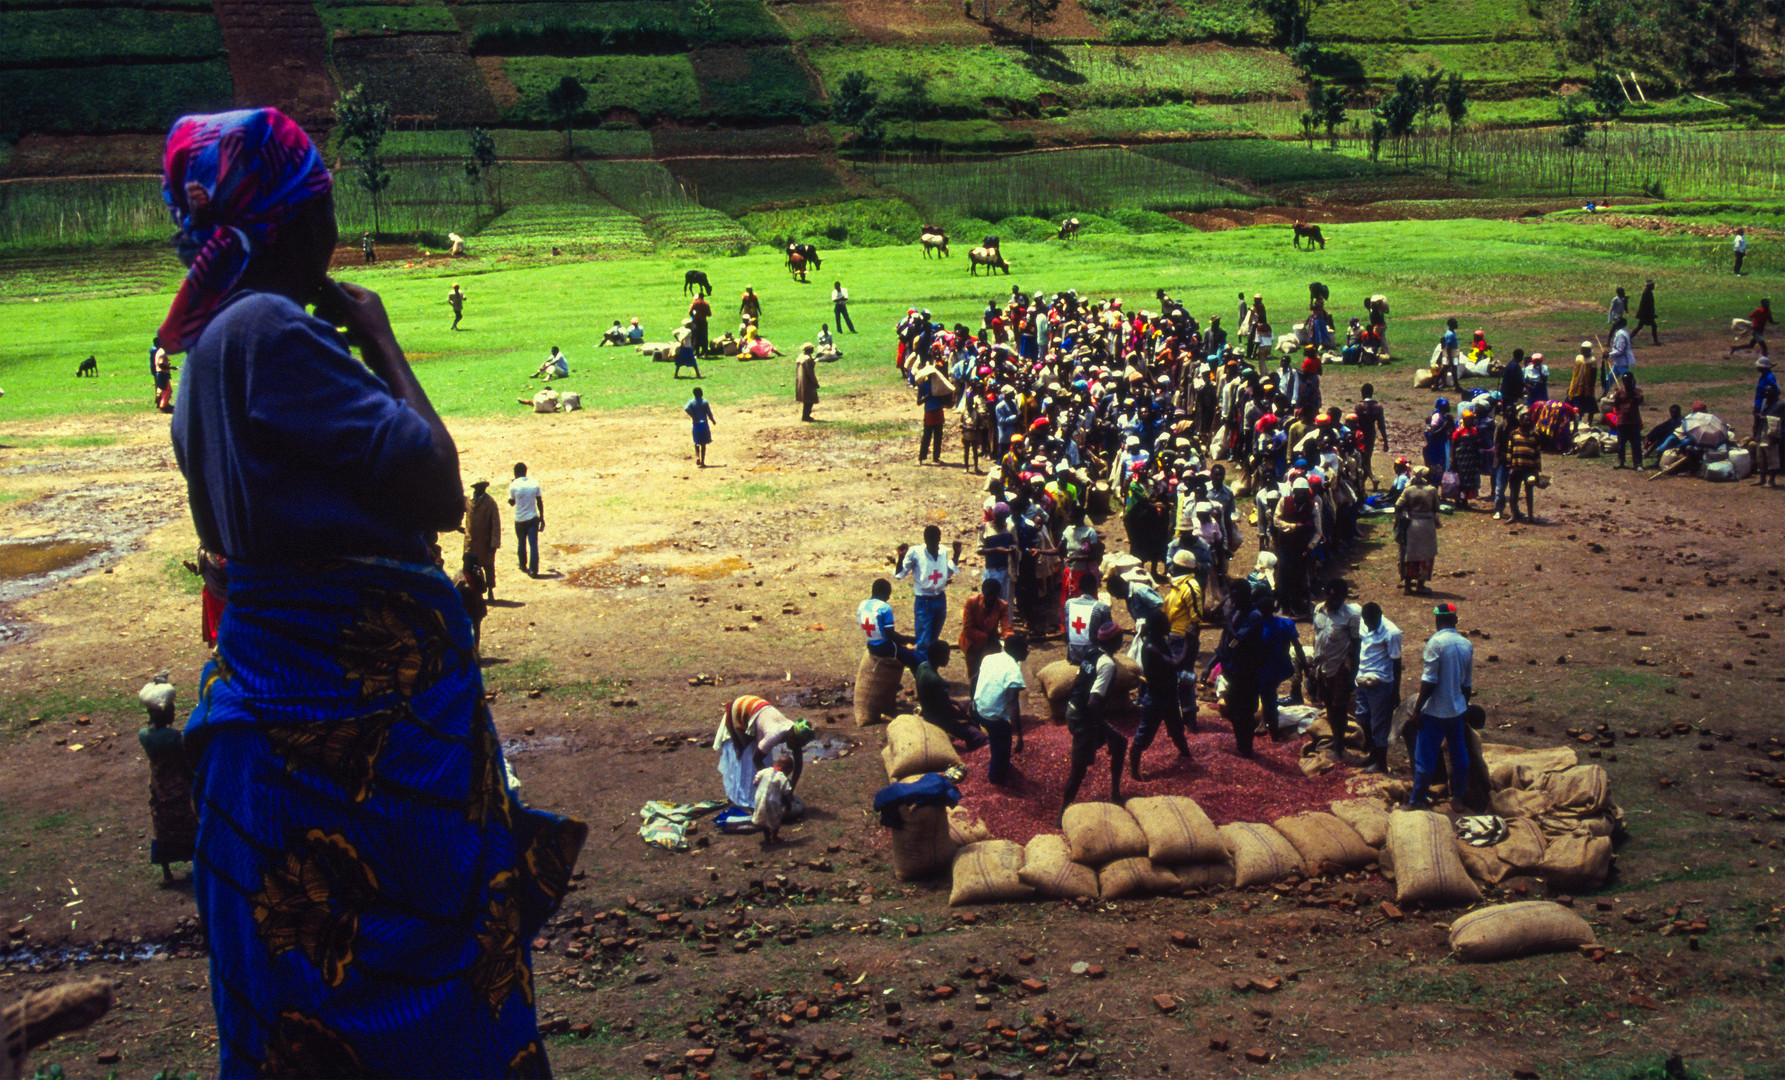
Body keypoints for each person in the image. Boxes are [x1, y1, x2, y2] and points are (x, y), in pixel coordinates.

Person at [162, 108, 582, 1078]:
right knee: (429, 995)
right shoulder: (271, 330)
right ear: (287, 226)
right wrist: (384, 339)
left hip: (267, 749)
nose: (335, 234)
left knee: (301, 1018)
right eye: (322, 210)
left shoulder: (200, 364)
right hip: (359, 761)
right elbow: (437, 482)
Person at [1106, 572, 1191, 779]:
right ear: (1157, 627)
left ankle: (1186, 755)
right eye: (1165, 624)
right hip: (1156, 699)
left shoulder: (1159, 642)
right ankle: (1134, 771)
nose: (1169, 625)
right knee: (1143, 738)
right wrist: (1189, 643)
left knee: (1177, 729)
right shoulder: (1152, 647)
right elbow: (1174, 663)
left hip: (1168, 696)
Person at [1060, 620, 1128, 817]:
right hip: (1084, 717)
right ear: (1116, 641)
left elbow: (1076, 683)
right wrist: (1102, 729)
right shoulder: (1107, 664)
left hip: (1075, 710)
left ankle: (1115, 794)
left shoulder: (1090, 653)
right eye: (1121, 638)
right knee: (1078, 770)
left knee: (1120, 743)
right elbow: (1093, 703)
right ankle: (1062, 814)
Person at [1411, 603, 1474, 808]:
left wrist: (1417, 709)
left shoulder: (1435, 643)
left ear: (1437, 620)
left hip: (1434, 712)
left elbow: (1429, 681)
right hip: (1456, 711)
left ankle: (1417, 800)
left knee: (1425, 760)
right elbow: (1467, 684)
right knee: (1459, 755)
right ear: (1455, 620)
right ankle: (1457, 796)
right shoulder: (1466, 644)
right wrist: (1464, 706)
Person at [138, 673, 197, 884]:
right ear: (166, 714)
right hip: (178, 785)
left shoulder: (144, 735)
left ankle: (166, 872)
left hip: (158, 784)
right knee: (188, 820)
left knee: (161, 825)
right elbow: (183, 762)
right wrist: (193, 778)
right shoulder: (173, 737)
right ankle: (194, 860)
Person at [1310, 579, 1361, 750]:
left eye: (1340, 599)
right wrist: (1312, 666)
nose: (1336, 602)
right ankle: (1335, 738)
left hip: (1339, 666)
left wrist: (1352, 675)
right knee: (1328, 704)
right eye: (1333, 599)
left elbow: (1356, 646)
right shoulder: (1318, 610)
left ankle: (1339, 743)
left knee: (1339, 707)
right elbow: (1316, 637)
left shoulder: (1351, 616)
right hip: (1322, 666)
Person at [971, 632, 1028, 786]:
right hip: (991, 717)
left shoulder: (990, 658)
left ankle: (998, 759)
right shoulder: (1014, 672)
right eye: (1025, 648)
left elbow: (974, 679)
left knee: (997, 738)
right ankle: (997, 777)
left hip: (978, 709)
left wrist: (973, 702)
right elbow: (1012, 704)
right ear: (1016, 650)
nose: (1028, 651)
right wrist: (1019, 734)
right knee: (1003, 741)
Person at [1352, 602, 1402, 774]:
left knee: (1379, 725)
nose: (1368, 625)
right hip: (1363, 679)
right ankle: (1372, 755)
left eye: (1371, 621)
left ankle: (1381, 763)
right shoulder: (1363, 624)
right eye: (1365, 621)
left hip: (1381, 683)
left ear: (1380, 616)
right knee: (1362, 718)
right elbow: (1360, 647)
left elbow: (1396, 663)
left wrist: (1395, 691)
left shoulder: (1392, 633)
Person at [894, 525, 961, 651]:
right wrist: (901, 556)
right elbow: (900, 574)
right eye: (929, 540)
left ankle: (929, 666)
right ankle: (922, 667)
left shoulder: (943, 552)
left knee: (933, 639)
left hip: (940, 598)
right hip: (924, 601)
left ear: (939, 539)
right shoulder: (915, 553)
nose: (932, 544)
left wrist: (957, 554)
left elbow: (947, 573)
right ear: (925, 540)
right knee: (923, 641)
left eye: (935, 540)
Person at [912, 640, 988, 747]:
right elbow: (948, 710)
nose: (948, 659)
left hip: (930, 708)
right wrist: (967, 718)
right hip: (938, 719)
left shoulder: (922, 666)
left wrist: (956, 702)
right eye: (946, 656)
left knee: (971, 701)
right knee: (980, 736)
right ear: (938, 657)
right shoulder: (935, 681)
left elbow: (934, 695)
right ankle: (972, 743)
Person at [956, 578, 1011, 692]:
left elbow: (1006, 628)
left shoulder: (1002, 606)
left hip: (989, 645)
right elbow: (968, 629)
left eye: (994, 596)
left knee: (987, 673)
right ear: (983, 593)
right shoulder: (972, 602)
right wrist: (987, 637)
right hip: (971, 643)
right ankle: (973, 700)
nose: (991, 599)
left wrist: (1011, 640)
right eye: (988, 595)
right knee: (973, 675)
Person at [1394, 466, 1440, 594]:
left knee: (1408, 556)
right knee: (1425, 556)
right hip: (1427, 527)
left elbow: (1398, 505)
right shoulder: (1432, 490)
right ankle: (1420, 585)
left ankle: (1408, 587)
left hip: (1411, 526)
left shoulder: (1408, 490)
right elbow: (1436, 507)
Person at [860, 577, 919, 667]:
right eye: (888, 594)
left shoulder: (863, 605)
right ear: (883, 593)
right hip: (884, 647)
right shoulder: (884, 607)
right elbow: (891, 635)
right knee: (915, 658)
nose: (888, 597)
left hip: (871, 644)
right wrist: (909, 640)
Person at [1063, 569, 1113, 665]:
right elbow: (1108, 634)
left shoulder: (1069, 603)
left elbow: (1066, 630)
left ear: (1079, 587)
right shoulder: (1102, 607)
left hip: (1073, 654)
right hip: (1093, 656)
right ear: (1095, 588)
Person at [463, 478, 500, 598]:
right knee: (469, 567)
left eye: (483, 486)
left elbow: (496, 524)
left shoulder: (490, 502)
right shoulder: (468, 499)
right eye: (480, 487)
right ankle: (474, 592)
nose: (482, 489)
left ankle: (490, 590)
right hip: (471, 541)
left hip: (485, 541)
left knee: (488, 567)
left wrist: (494, 543)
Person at [1505, 409, 1543, 522]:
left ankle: (1530, 516)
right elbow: (1509, 451)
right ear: (1520, 421)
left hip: (1529, 468)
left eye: (1530, 421)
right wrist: (1509, 466)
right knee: (1514, 493)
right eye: (1526, 420)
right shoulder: (1514, 434)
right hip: (1516, 467)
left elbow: (1537, 453)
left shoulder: (1535, 435)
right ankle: (1514, 515)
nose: (1528, 422)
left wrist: (1537, 469)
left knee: (1529, 492)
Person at [508, 461, 543, 577]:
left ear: (515, 473)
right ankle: (534, 570)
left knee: (521, 543)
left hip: (520, 519)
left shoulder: (513, 485)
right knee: (533, 544)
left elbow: (512, 503)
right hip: (533, 518)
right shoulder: (534, 483)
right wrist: (542, 518)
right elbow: (539, 501)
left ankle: (523, 565)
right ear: (525, 472)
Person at [453, 553, 488, 653]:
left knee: (476, 630)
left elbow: (483, 589)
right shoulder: (460, 575)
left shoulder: (477, 574)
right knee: (465, 630)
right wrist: (461, 587)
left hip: (476, 606)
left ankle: (475, 651)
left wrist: (479, 577)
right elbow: (453, 591)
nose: (467, 565)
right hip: (465, 607)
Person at [1354, 383, 1388, 486]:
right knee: (1367, 457)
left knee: (1363, 458)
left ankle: (1372, 479)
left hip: (1360, 434)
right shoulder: (1378, 407)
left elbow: (1355, 422)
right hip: (1371, 433)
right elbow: (1381, 425)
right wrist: (1385, 441)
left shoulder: (1359, 406)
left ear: (1362, 393)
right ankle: (1366, 482)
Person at [1610, 372, 1645, 469]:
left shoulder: (1637, 391)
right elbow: (1615, 404)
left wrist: (1633, 391)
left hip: (1634, 422)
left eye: (1628, 381)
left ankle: (1638, 463)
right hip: (1622, 422)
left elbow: (1640, 400)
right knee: (1621, 444)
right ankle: (1621, 461)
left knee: (1636, 444)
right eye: (1624, 381)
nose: (1626, 383)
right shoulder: (1620, 392)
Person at [685, 385, 715, 467]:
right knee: (703, 444)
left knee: (696, 442)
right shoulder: (704, 402)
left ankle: (697, 456)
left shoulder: (691, 402)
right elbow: (709, 413)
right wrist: (712, 420)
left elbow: (686, 408)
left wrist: (693, 416)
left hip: (696, 424)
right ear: (701, 393)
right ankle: (702, 461)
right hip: (704, 424)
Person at [1566, 340, 1599, 413]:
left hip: (1586, 385)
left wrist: (1591, 387)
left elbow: (1594, 375)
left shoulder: (1592, 360)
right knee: (1573, 399)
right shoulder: (1578, 358)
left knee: (1588, 401)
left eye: (1586, 350)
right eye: (1582, 349)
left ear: (1589, 350)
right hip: (1576, 383)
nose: (1583, 351)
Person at [794, 342, 819, 421]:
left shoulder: (800, 357)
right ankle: (806, 416)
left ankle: (805, 415)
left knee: (806, 400)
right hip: (807, 381)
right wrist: (815, 382)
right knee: (809, 400)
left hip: (801, 379)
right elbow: (810, 372)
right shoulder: (807, 359)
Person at [1607, 317, 1635, 383]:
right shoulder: (1624, 332)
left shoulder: (1620, 334)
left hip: (1621, 362)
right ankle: (1604, 392)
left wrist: (1608, 354)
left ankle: (1635, 391)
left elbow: (1620, 350)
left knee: (1629, 380)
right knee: (1609, 380)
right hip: (1618, 362)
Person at [1634, 280, 1659, 345]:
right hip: (1645, 315)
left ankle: (1656, 341)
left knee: (1640, 327)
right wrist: (1652, 314)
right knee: (1653, 326)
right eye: (1652, 285)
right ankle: (1655, 341)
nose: (1654, 286)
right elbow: (1646, 305)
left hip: (1645, 314)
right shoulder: (1647, 293)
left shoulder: (1647, 293)